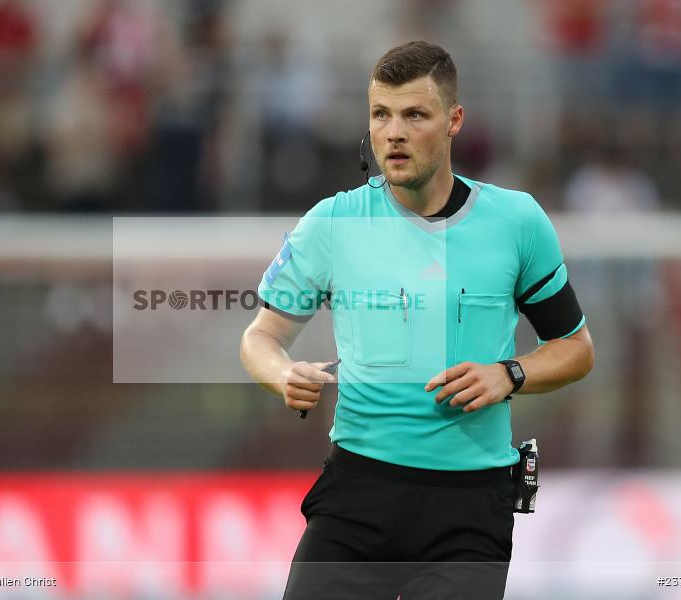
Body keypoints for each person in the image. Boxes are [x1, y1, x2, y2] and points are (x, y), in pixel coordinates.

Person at [239, 41, 594, 599]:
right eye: (381, 114)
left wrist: (510, 373)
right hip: (357, 492)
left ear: (454, 120)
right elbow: (261, 337)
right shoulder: (333, 222)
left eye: (414, 115)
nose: (394, 132)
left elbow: (575, 348)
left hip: (471, 507)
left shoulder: (517, 221)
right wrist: (281, 374)